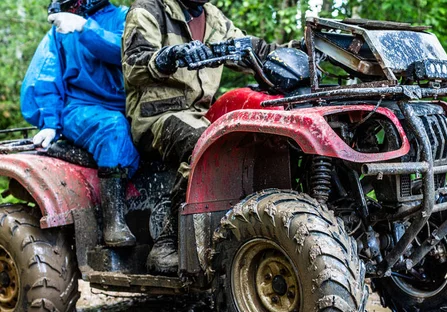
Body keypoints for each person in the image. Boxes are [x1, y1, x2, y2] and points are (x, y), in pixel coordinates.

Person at [123, 0, 296, 274]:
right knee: (202, 143)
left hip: (200, 113)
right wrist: (169, 56)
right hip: (156, 115)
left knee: (255, 133)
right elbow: (133, 66)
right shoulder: (149, 9)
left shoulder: (214, 18)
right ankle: (167, 242)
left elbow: (255, 51)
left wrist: (303, 49)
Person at [21, 0, 140, 247]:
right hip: (80, 108)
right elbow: (46, 74)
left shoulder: (126, 17)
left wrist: (86, 29)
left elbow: (126, 52)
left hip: (128, 105)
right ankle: (113, 223)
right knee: (113, 128)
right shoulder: (59, 28)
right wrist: (50, 122)